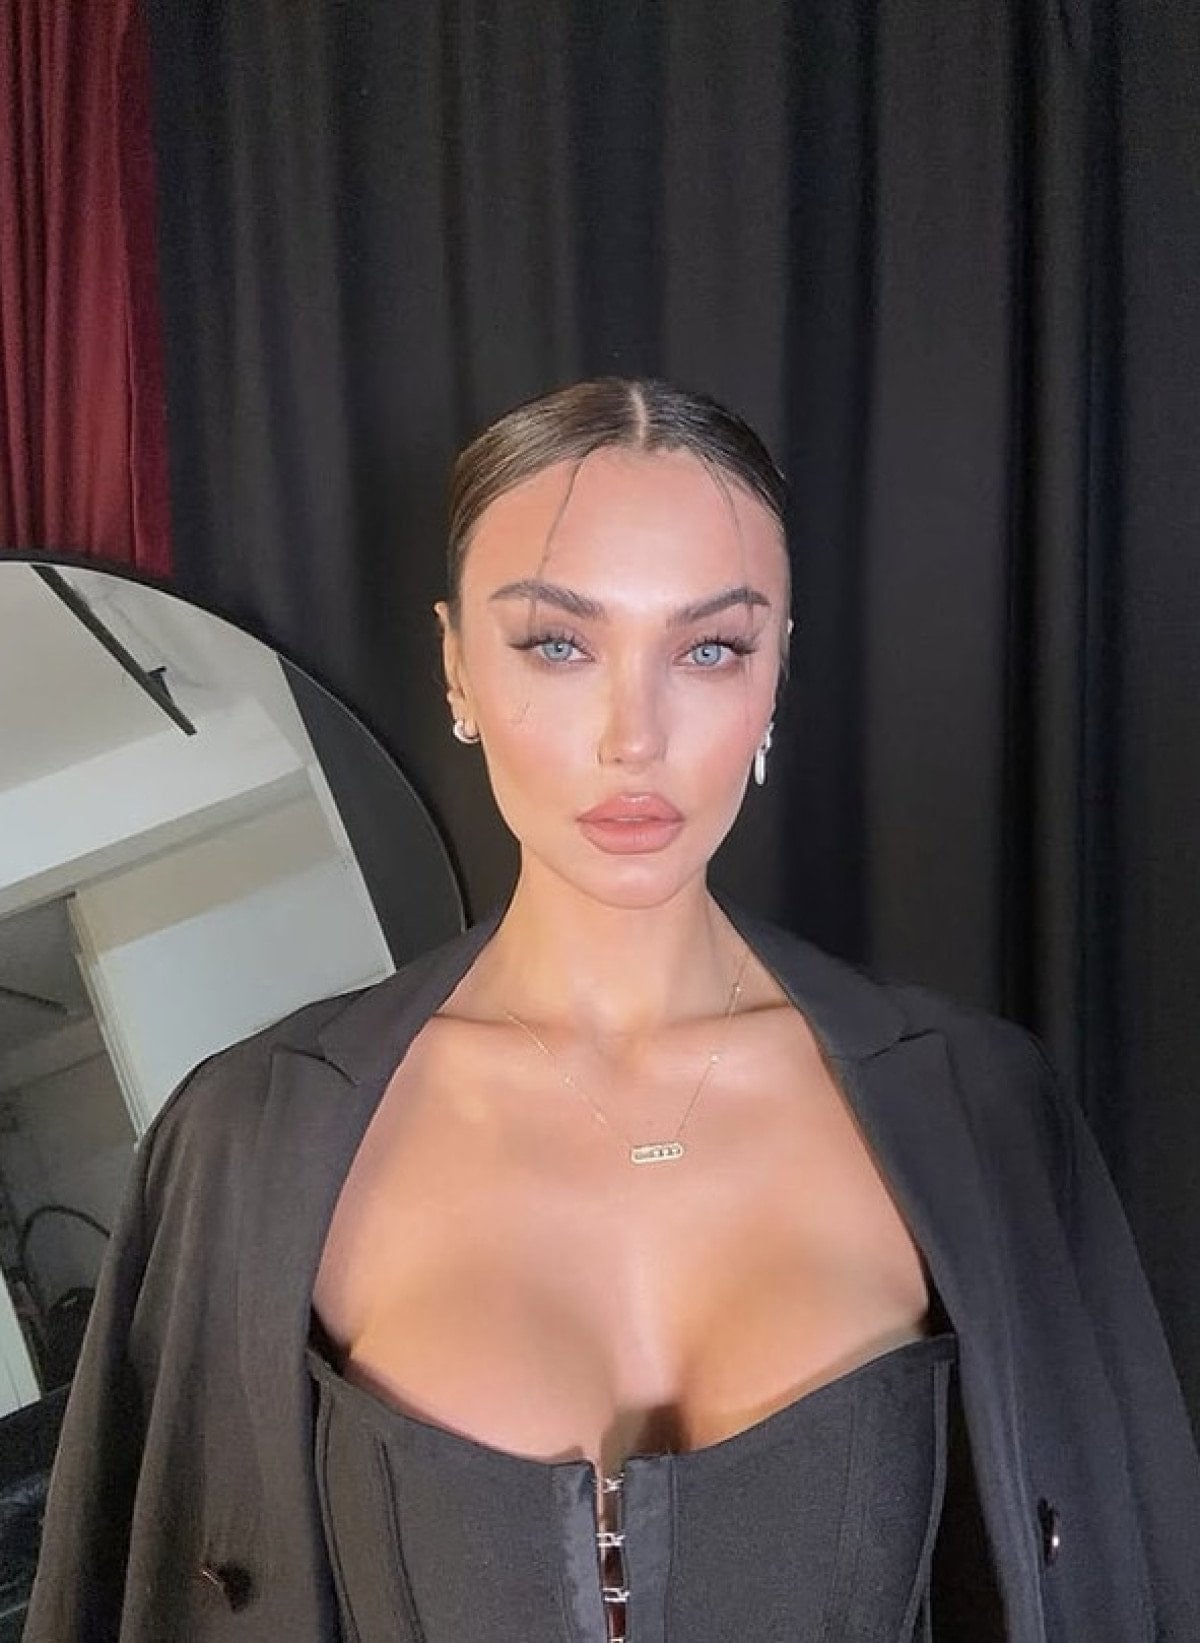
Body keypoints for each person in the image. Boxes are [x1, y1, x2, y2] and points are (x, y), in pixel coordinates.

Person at [23, 378, 1200, 1642]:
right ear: (457, 665)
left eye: (710, 648)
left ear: (775, 673)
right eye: (557, 643)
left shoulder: (982, 1106)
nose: (634, 736)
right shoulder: (246, 1139)